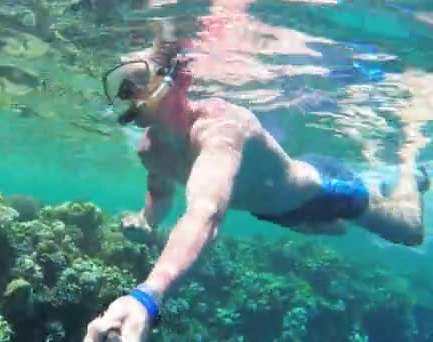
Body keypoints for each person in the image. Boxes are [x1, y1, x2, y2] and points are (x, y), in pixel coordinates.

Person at [83, 3, 430, 342]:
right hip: (271, 210)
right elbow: (160, 194)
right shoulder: (150, 151)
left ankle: (407, 165)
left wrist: (148, 295)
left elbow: (205, 213)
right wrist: (146, 220)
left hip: (323, 191)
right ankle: (360, 194)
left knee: (409, 230)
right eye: (123, 87)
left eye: (139, 80)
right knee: (335, 232)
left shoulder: (221, 129)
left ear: (183, 78)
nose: (130, 94)